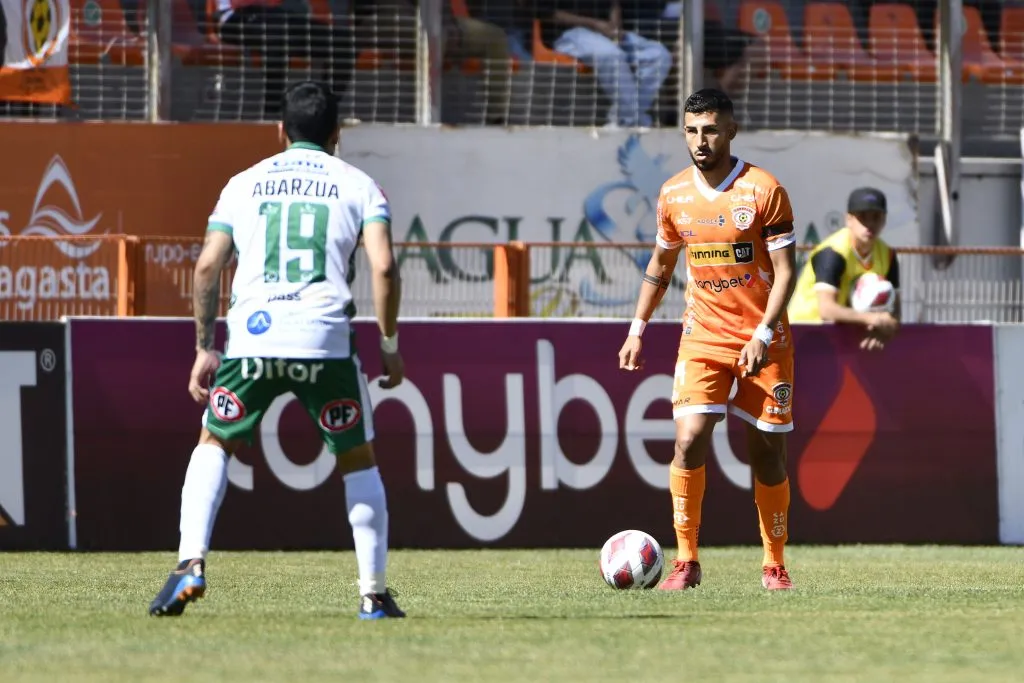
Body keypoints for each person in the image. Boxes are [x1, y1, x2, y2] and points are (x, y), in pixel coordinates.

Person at [148, 80, 406, 620]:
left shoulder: (242, 184)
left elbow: (205, 267)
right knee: (357, 459)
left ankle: (188, 564)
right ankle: (373, 594)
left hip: (253, 339)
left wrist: (203, 347)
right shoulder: (361, 185)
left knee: (215, 441)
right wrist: (388, 342)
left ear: (279, 131)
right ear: (338, 135)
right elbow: (384, 267)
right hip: (325, 341)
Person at [618, 88, 798, 591]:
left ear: (731, 130)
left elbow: (786, 271)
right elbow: (661, 263)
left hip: (765, 340)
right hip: (703, 336)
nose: (701, 140)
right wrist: (637, 329)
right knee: (689, 438)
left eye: (711, 129)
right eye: (692, 130)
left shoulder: (764, 189)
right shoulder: (673, 194)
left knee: (765, 452)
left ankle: (774, 563)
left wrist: (763, 331)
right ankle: (686, 561)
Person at [788, 187, 900, 351]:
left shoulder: (888, 255)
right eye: (862, 217)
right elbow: (826, 309)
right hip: (804, 334)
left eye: (876, 217)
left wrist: (883, 331)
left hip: (842, 339)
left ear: (884, 220)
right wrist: (874, 319)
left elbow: (895, 315)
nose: (869, 224)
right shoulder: (833, 251)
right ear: (849, 220)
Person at [209, 1, 355, 120]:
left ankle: (325, 109)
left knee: (343, 41)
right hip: (237, 17)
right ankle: (272, 114)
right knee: (278, 38)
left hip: (281, 15)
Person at [538, 0, 672, 128]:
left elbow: (614, 4)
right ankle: (632, 121)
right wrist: (594, 24)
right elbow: (546, 13)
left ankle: (625, 118)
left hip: (605, 31)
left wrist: (615, 28)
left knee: (659, 55)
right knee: (611, 55)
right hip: (570, 33)